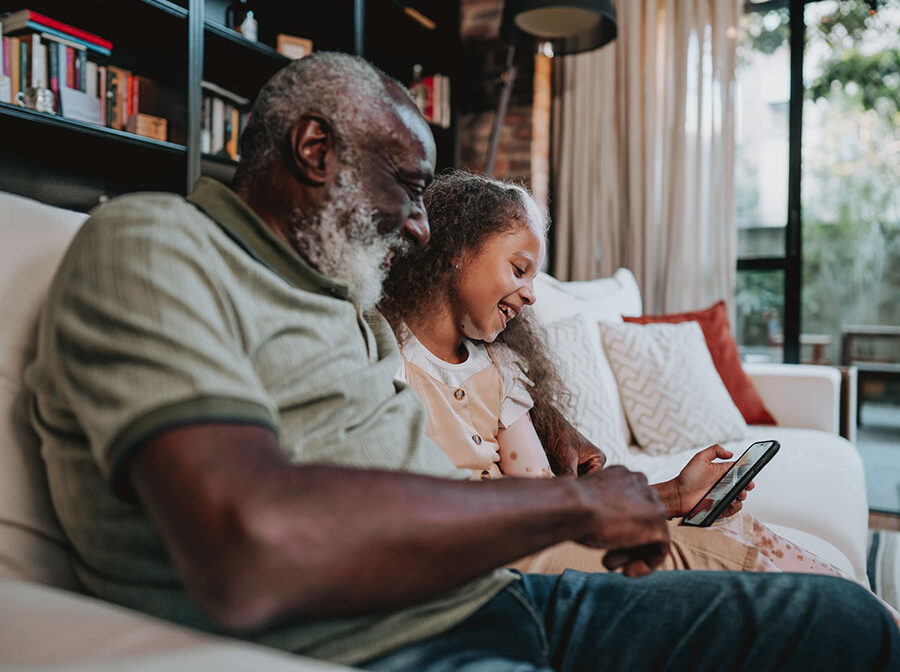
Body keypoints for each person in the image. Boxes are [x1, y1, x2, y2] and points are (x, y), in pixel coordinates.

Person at [24, 52, 898, 671]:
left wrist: (602, 498)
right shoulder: (155, 245)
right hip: (378, 644)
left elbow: (441, 476)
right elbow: (249, 542)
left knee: (843, 619)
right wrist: (574, 503)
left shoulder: (347, 310)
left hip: (491, 600)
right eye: (409, 188)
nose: (418, 225)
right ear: (315, 150)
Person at [380, 169, 900, 611]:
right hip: (490, 562)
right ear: (455, 249)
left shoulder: (500, 370)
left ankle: (869, 623)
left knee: (729, 533)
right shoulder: (384, 359)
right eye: (519, 269)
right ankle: (862, 626)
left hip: (533, 531)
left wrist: (674, 493)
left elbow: (544, 501)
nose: (532, 293)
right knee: (728, 565)